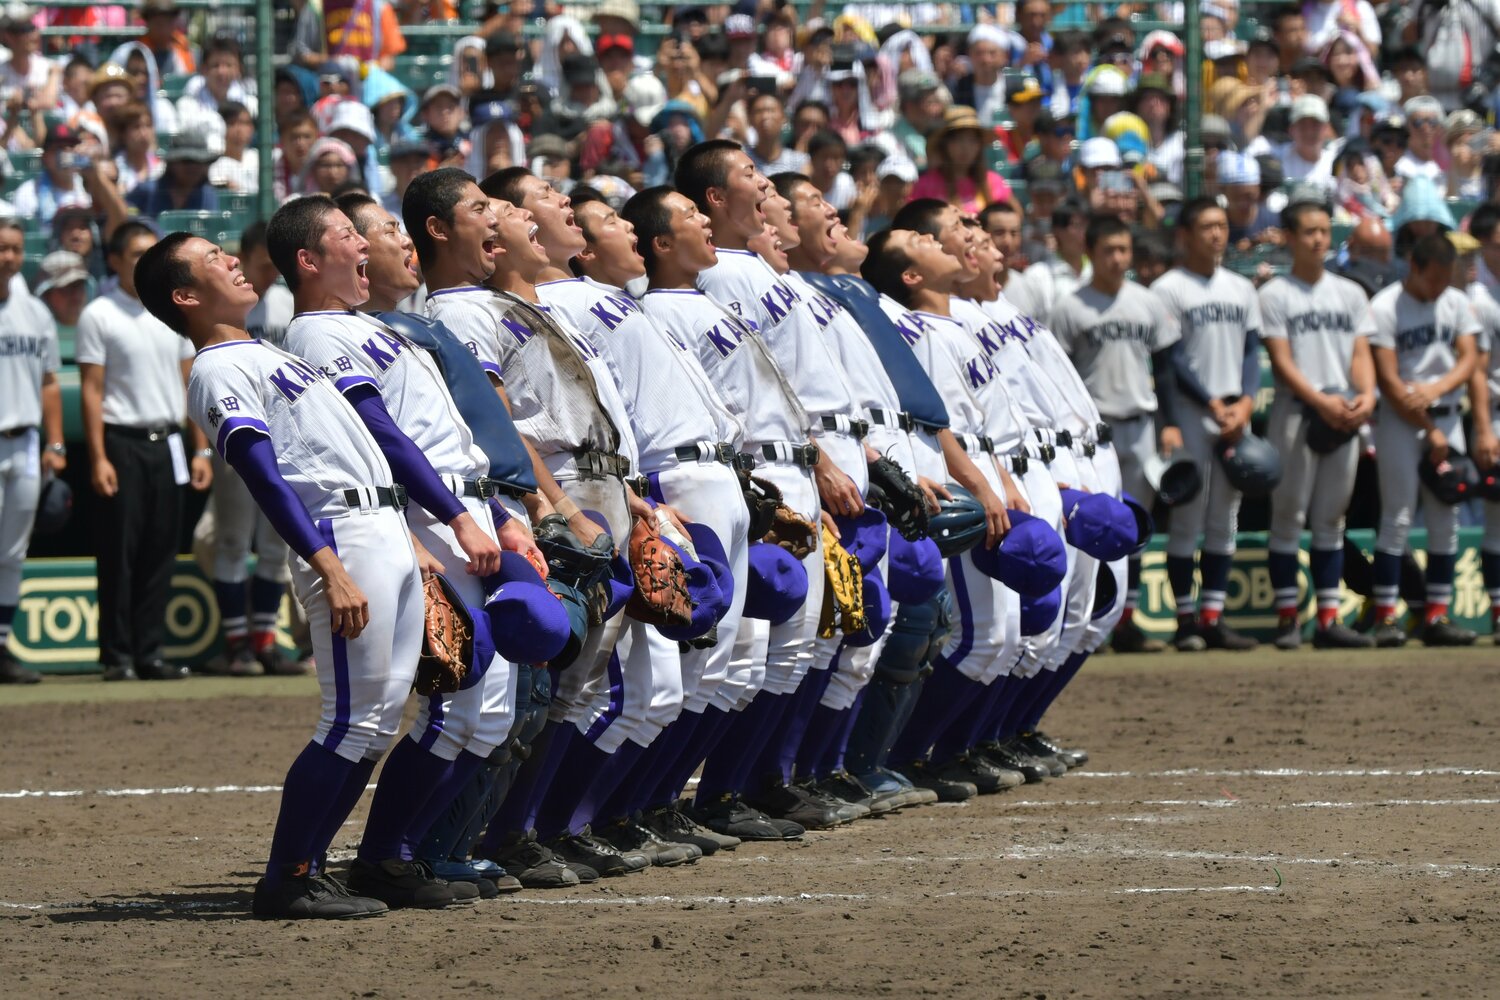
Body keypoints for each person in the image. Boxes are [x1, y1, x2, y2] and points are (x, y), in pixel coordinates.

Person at [77, 221, 212, 681]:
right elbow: (91, 391)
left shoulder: (168, 312)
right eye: (135, 253)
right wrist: (97, 456)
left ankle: (150, 651)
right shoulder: (99, 314)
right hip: (123, 443)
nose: (142, 260)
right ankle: (117, 655)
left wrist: (200, 450)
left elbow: (187, 381)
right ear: (114, 260)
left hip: (169, 441)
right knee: (120, 551)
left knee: (160, 550)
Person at [1048, 215, 1182, 655]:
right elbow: (1057, 377)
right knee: (1093, 526)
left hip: (1140, 424)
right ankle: (1091, 620)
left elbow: (1164, 367)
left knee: (1133, 527)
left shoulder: (1145, 301)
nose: (1118, 258)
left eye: (1124, 249)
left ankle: (1125, 621)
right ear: (1090, 252)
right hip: (1090, 433)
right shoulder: (1071, 306)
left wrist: (1171, 422)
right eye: (1109, 250)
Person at [1259, 199, 1378, 651]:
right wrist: (1322, 402)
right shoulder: (1275, 294)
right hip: (1298, 410)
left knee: (1332, 518)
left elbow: (1360, 354)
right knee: (1288, 517)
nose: (1318, 240)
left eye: (1324, 231)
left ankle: (1329, 618)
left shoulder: (1349, 292)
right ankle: (1288, 617)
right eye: (1309, 231)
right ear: (1288, 237)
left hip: (1343, 410)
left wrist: (1366, 396)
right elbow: (1281, 361)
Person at [1150, 197, 1263, 652]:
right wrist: (1213, 401)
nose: (1217, 234)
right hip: (1192, 416)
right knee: (1187, 517)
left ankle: (1213, 617)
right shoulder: (1168, 288)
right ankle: (1185, 621)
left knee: (1225, 517)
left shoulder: (1241, 288)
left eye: (1221, 225)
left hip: (1233, 417)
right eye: (1206, 227)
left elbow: (1253, 351)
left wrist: (1247, 402)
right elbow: (1172, 359)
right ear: (1185, 235)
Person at [1363, 233, 1479, 647]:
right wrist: (1428, 425)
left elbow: (1468, 359)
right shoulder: (1385, 306)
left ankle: (1437, 615)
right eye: (1434, 278)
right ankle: (1386, 618)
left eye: (1446, 277)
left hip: (1445, 416)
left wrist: (1436, 390)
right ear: (1414, 267)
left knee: (1445, 522)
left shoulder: (1455, 302)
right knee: (1396, 518)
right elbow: (1390, 381)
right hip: (1401, 423)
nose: (1440, 286)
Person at [0, 220, 63, 684]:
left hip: (24, 439)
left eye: (16, 249)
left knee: (13, 552)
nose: (9, 257)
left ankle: (1, 646)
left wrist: (55, 442)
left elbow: (49, 384)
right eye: (2, 248)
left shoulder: (34, 311)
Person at [910, 106, 1015, 216]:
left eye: (972, 140)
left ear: (980, 145)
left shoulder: (994, 182)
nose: (965, 147)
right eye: (957, 139)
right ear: (945, 144)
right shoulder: (925, 185)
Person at [12, 122, 91, 230]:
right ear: (45, 157)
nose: (67, 153)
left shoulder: (90, 185)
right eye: (60, 148)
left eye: (72, 147)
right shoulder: (28, 193)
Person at [125, 131, 221, 217]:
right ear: (172, 163)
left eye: (199, 161)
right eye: (186, 161)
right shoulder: (146, 191)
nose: (193, 167)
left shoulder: (209, 196)